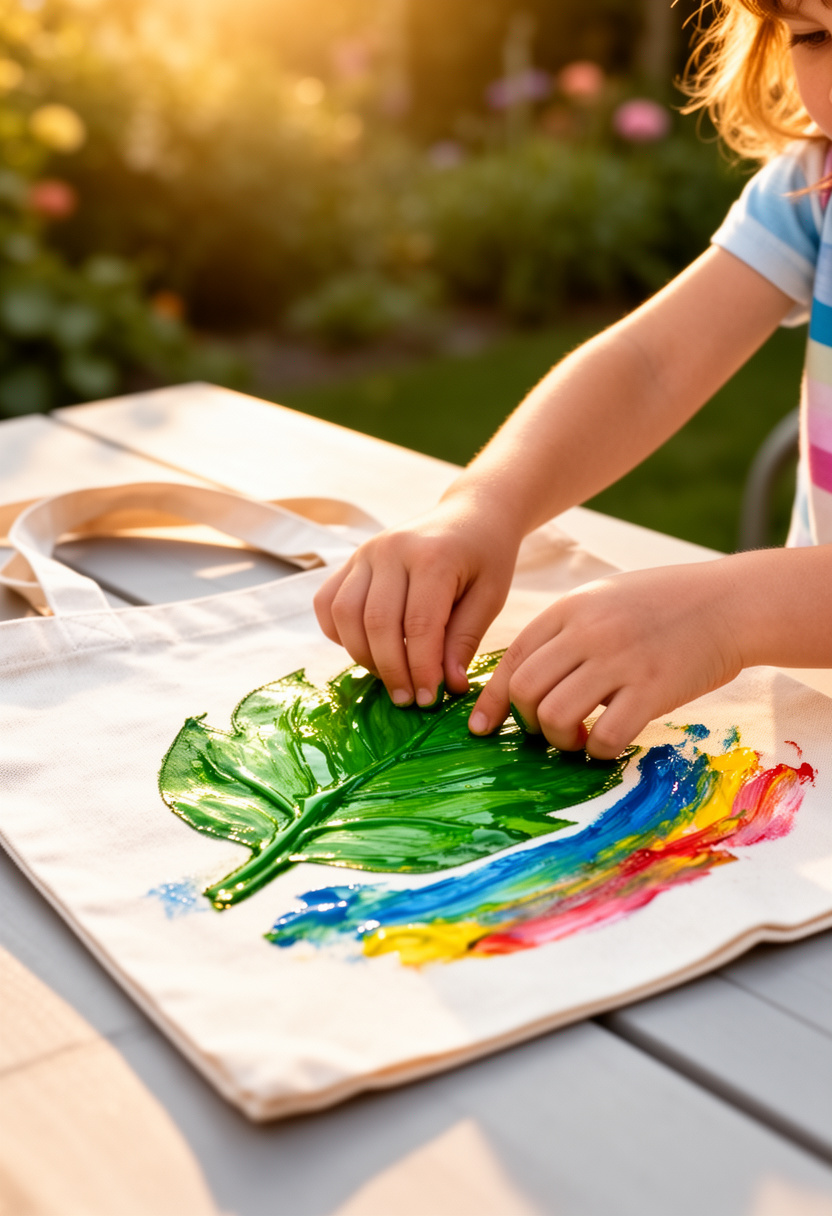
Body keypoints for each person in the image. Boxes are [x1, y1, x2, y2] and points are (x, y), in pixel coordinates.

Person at [315, 0, 832, 761]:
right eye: (816, 37)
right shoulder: (813, 191)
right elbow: (649, 368)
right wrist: (484, 507)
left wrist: (730, 613)